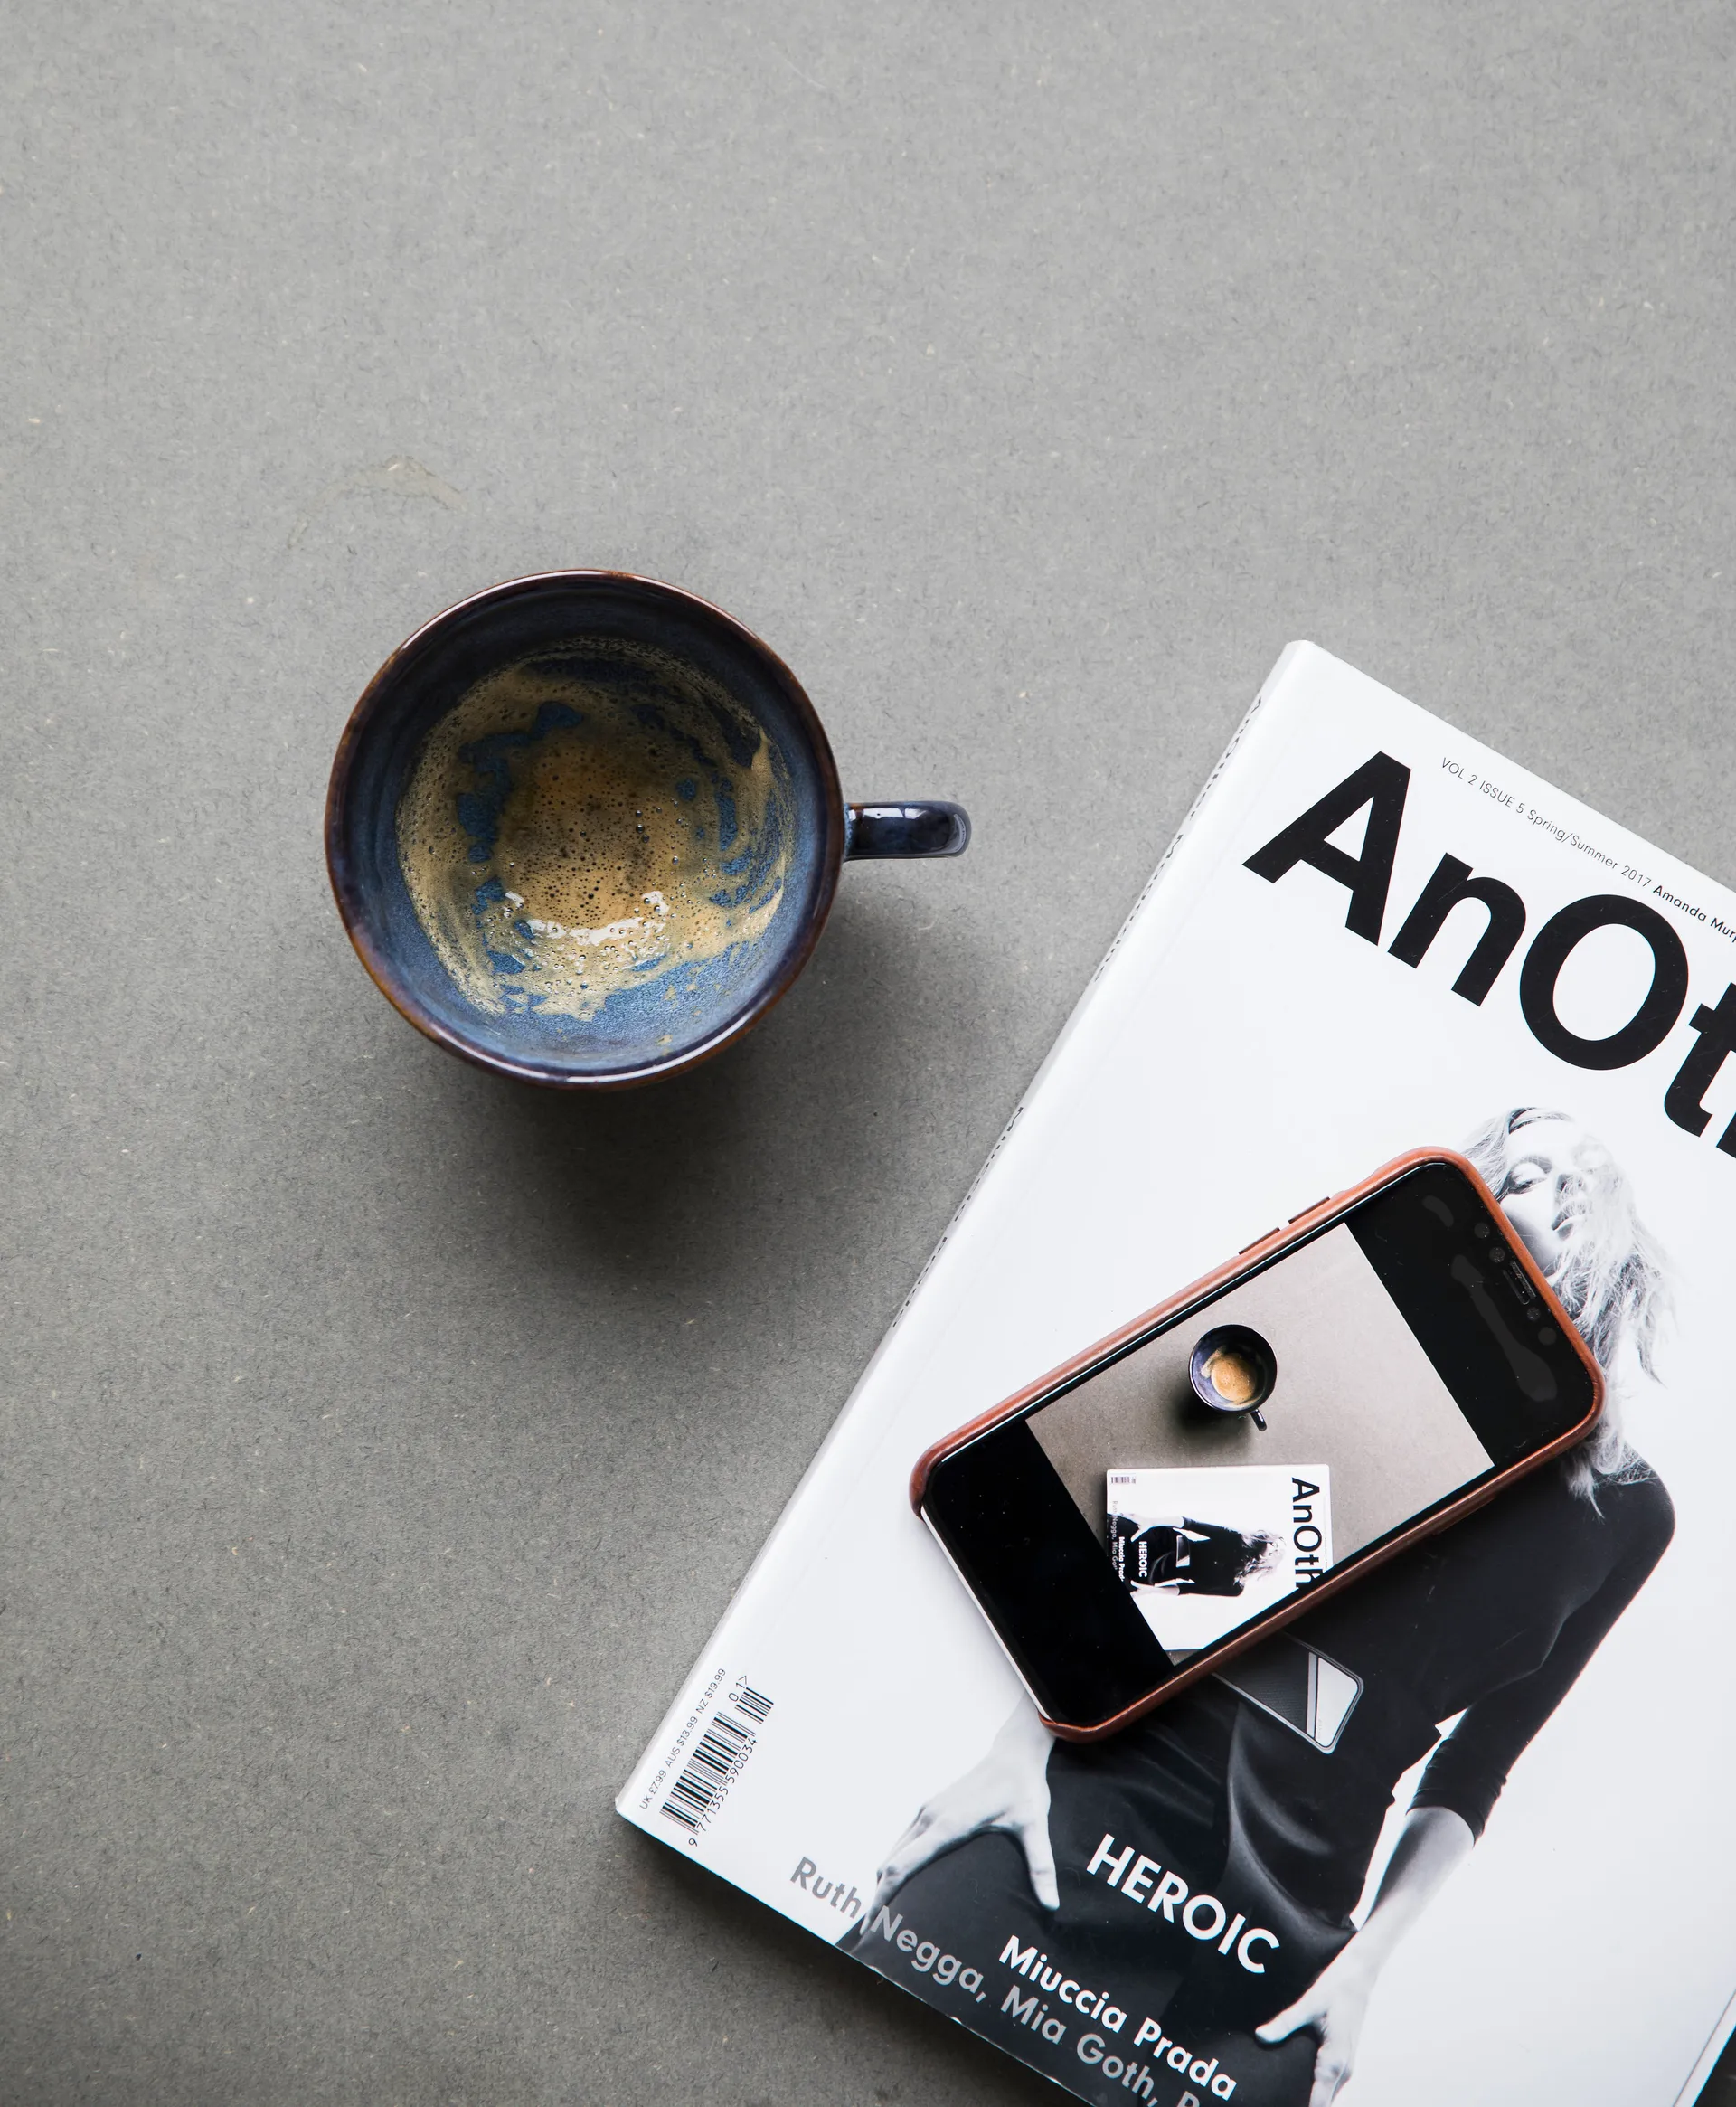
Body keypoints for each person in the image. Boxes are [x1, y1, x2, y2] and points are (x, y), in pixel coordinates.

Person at [848, 1110, 1672, 2107]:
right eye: (1516, 1171)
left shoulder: (1629, 1512)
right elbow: (1155, 1554)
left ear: (1614, 1255)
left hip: (1298, 1922)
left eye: (1567, 1182)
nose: (1531, 1190)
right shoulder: (1376, 1354)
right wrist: (1016, 1751)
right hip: (1117, 1789)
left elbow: (1477, 1765)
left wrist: (1368, 1965)